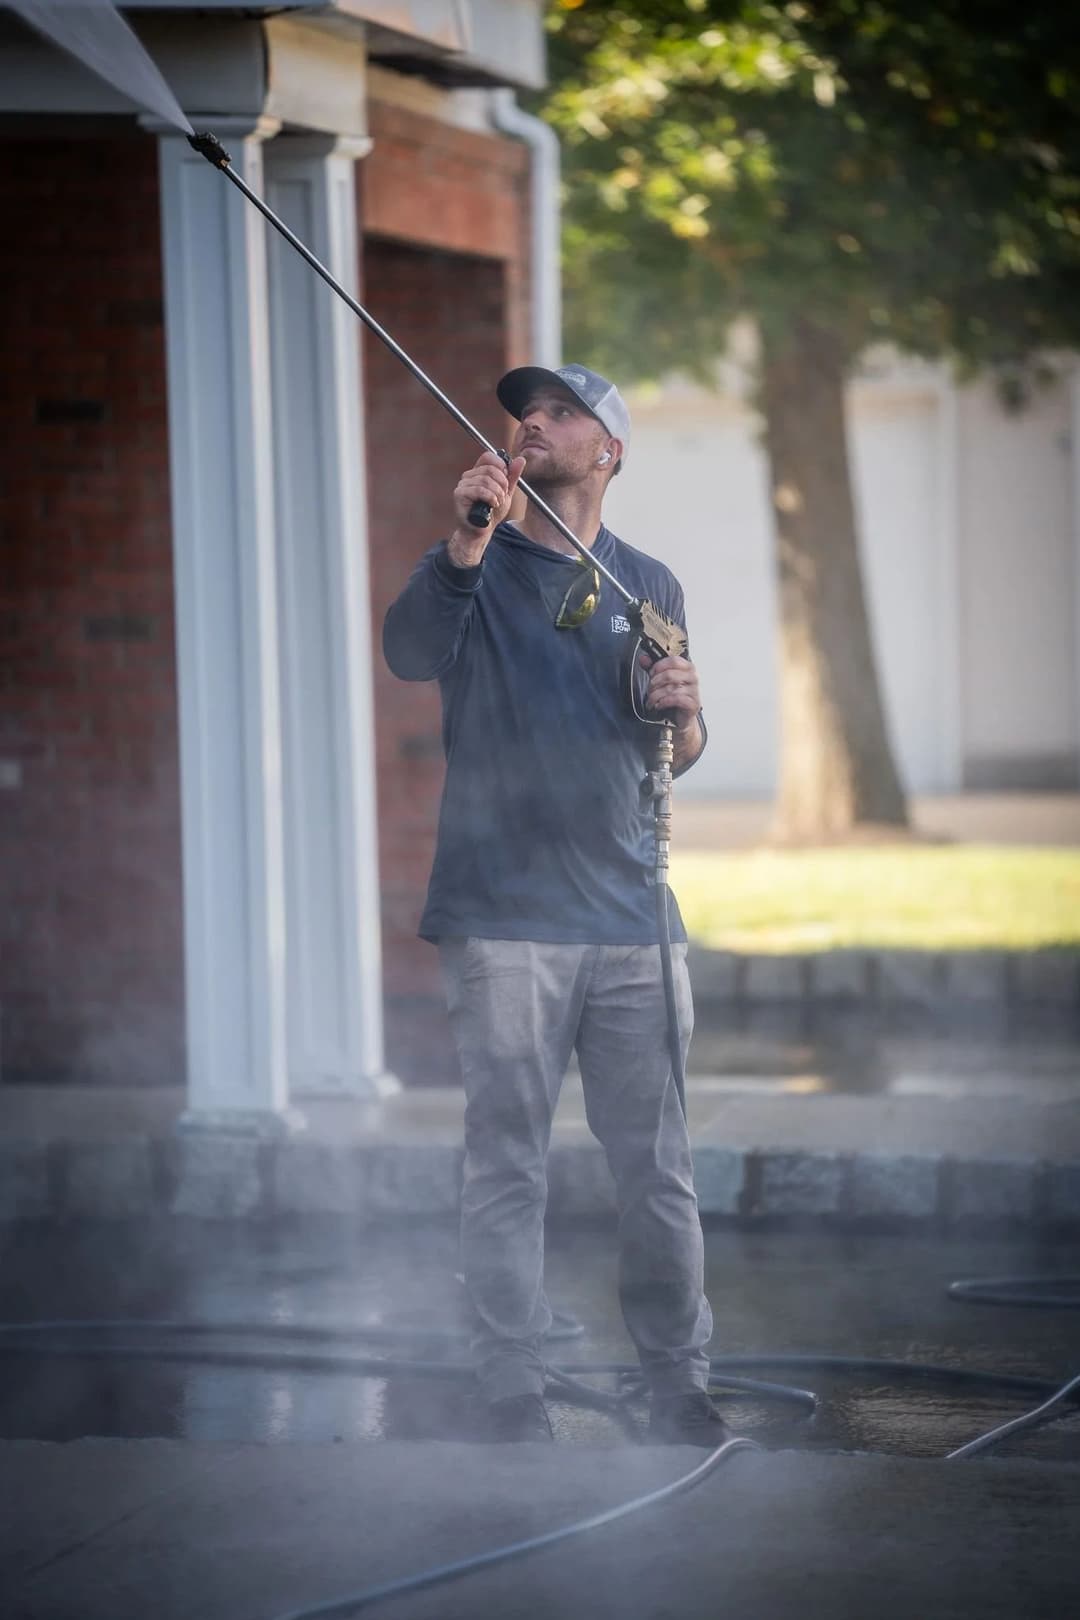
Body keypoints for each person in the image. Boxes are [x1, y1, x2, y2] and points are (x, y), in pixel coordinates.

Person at [383, 364, 724, 1446]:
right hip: (505, 919)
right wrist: (467, 541)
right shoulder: (473, 566)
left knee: (658, 1170)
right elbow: (407, 652)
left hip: (633, 922)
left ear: (608, 451)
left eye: (562, 412)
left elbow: (676, 751)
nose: (532, 421)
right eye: (524, 412)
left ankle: (680, 1385)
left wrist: (689, 711)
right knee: (507, 1162)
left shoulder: (649, 586)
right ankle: (510, 1392)